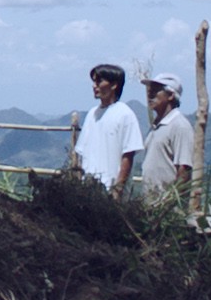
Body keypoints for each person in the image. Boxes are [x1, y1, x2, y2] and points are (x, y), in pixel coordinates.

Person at [75, 64, 144, 198]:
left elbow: (128, 155)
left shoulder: (125, 115)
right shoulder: (92, 114)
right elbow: (82, 153)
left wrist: (117, 189)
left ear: (114, 85)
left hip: (110, 190)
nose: (94, 86)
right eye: (94, 81)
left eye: (99, 81)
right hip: (89, 189)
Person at [139, 73, 194, 200]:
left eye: (155, 91)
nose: (149, 95)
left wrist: (171, 202)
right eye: (149, 91)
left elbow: (184, 169)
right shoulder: (156, 125)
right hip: (150, 202)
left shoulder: (180, 126)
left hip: (165, 206)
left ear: (170, 95)